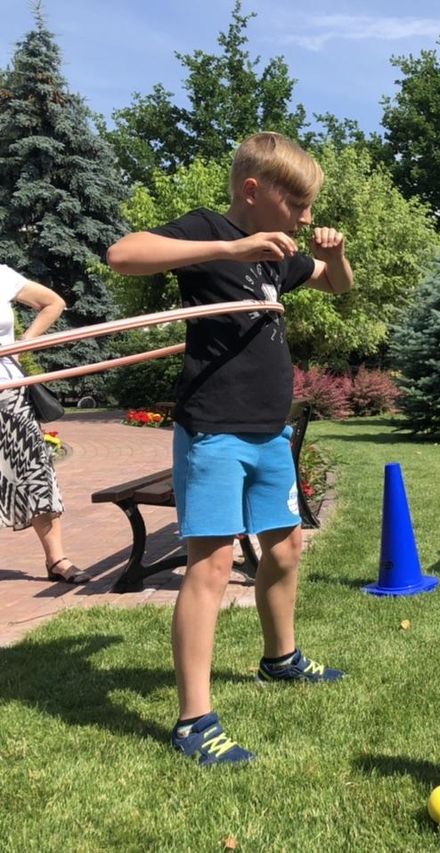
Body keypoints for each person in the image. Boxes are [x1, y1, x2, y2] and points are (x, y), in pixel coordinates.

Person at [106, 132, 354, 765]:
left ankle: (281, 658)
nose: (304, 219)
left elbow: (336, 286)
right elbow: (123, 254)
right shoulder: (210, 232)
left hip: (269, 430)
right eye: (297, 205)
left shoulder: (277, 257)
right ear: (254, 190)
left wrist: (338, 253)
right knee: (211, 566)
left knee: (286, 545)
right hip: (214, 427)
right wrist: (230, 246)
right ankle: (194, 720)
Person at [0, 266, 90, 583]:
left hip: (8, 393)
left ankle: (57, 560)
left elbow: (54, 302)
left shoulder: (1, 275)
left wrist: (24, 342)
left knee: (36, 470)